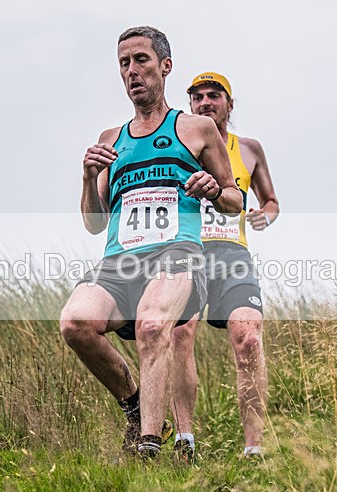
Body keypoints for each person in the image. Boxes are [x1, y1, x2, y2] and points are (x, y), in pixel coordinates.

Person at [59, 29, 243, 459]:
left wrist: (214, 189)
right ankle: (135, 403)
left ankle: (147, 446)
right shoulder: (110, 139)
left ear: (165, 66)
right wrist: (87, 177)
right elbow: (92, 222)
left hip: (177, 253)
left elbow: (234, 199)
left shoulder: (195, 128)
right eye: (124, 64)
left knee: (154, 324)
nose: (131, 72)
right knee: (74, 323)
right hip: (120, 259)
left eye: (141, 60)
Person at [171, 72, 280, 461]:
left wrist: (265, 215)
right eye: (197, 97)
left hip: (232, 252)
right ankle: (185, 440)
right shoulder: (176, 144)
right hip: (187, 250)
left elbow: (271, 201)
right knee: (179, 335)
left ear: (229, 105)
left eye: (213, 95)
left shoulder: (248, 149)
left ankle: (254, 448)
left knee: (248, 338)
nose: (205, 102)